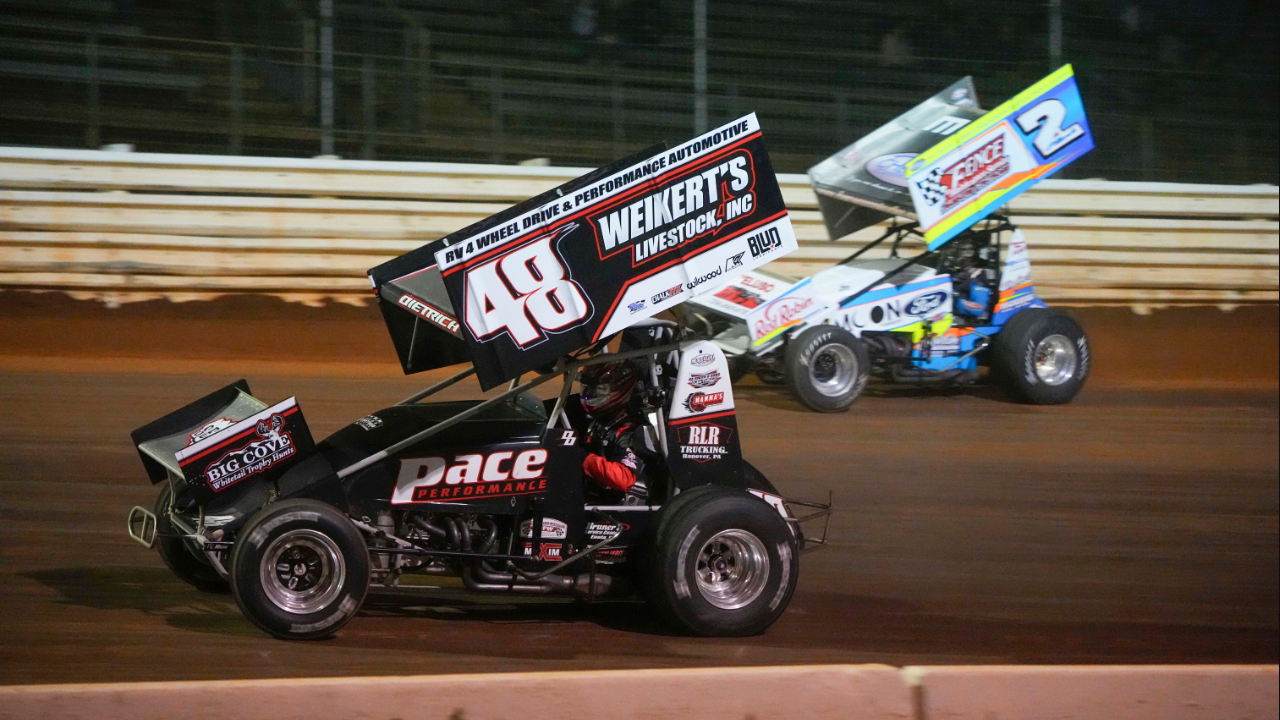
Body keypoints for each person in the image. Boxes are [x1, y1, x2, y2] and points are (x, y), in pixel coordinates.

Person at [578, 359, 650, 503]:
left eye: (600, 389)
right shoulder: (601, 421)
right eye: (589, 387)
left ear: (620, 389)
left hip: (617, 505)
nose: (590, 394)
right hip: (592, 492)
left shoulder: (630, 429)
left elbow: (624, 478)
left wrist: (583, 458)